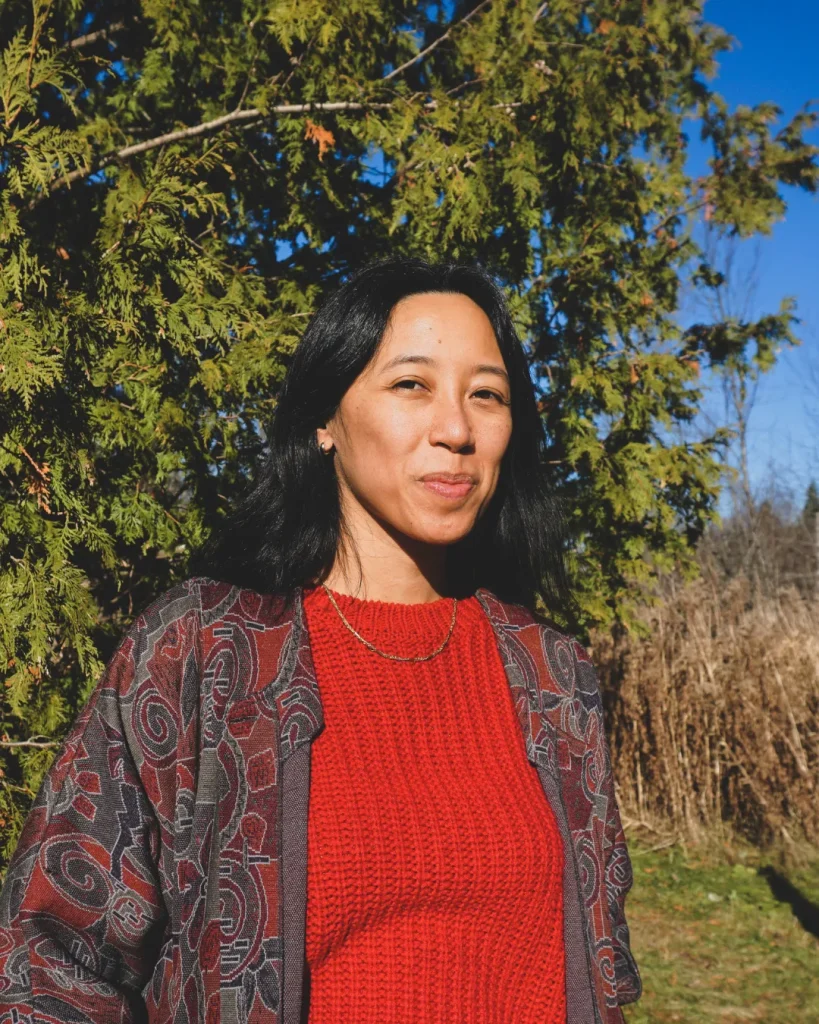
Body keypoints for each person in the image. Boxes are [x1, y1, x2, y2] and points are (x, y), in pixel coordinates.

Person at [0, 257, 641, 1024]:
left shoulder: (552, 675)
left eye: (487, 395)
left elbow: (599, 973)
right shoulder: (207, 651)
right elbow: (52, 956)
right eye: (412, 384)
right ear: (325, 417)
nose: (456, 429)